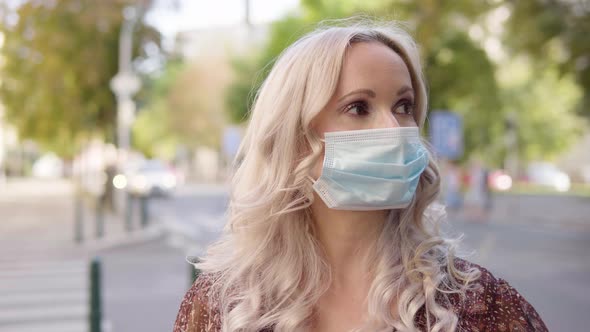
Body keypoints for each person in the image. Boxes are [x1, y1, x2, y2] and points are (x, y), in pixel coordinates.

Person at [174, 20, 547, 332]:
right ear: (296, 138)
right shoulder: (222, 306)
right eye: (359, 107)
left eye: (404, 106)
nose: (393, 127)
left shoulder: (479, 304)